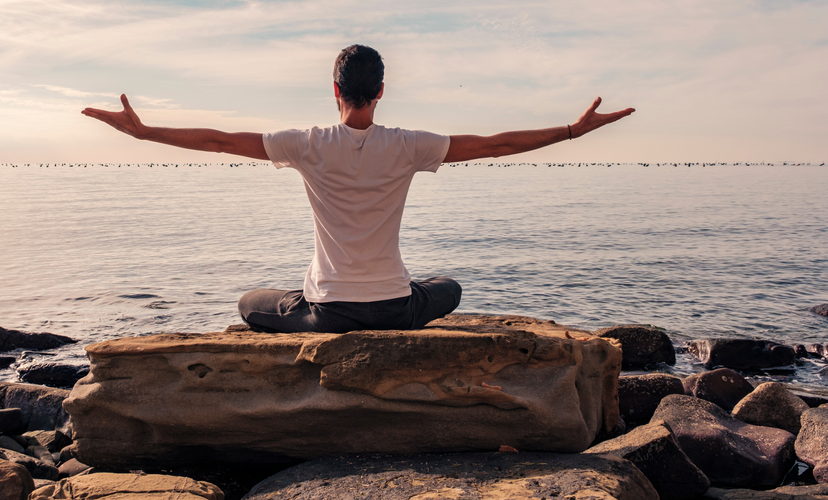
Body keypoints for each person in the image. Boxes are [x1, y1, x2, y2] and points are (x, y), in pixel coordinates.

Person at [82, 45, 634, 334]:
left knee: (250, 304)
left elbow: (222, 141)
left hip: (329, 314)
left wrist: (146, 130)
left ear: (336, 89)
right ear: (381, 91)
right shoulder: (410, 144)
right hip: (395, 306)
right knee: (449, 289)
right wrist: (570, 130)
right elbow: (494, 145)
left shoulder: (307, 143)